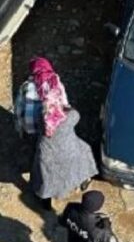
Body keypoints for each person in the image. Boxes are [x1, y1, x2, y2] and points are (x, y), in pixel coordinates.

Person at [26, 57, 97, 208]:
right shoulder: (56, 85)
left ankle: (45, 201)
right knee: (84, 151)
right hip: (69, 148)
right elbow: (74, 114)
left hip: (47, 151)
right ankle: (83, 180)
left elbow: (28, 123)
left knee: (44, 175)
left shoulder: (29, 92)